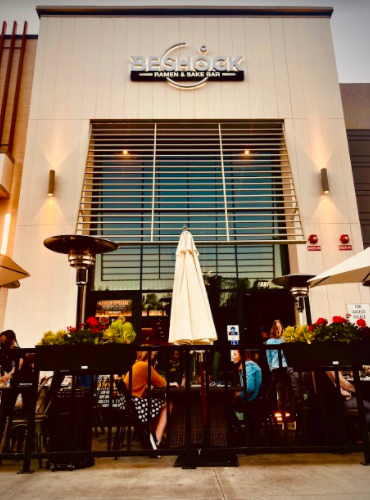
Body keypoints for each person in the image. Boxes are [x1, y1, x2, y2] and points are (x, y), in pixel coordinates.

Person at [124, 349, 174, 450]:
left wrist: (146, 384)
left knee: (158, 404)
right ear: (149, 355)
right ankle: (157, 438)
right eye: (153, 353)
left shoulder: (136, 364)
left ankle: (152, 435)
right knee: (168, 404)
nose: (154, 355)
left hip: (130, 402)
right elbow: (162, 382)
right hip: (137, 404)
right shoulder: (145, 366)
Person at [0, 330, 33, 447]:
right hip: (11, 385)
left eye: (5, 340)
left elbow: (17, 365)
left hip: (25, 384)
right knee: (4, 412)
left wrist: (10, 374)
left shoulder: (18, 352)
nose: (3, 342)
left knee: (26, 412)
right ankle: (4, 446)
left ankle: (24, 445)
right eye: (1, 341)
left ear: (13, 340)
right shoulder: (3, 353)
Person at [326, 370, 370, 441]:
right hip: (341, 400)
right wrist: (356, 388)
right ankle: (359, 433)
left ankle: (356, 430)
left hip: (334, 400)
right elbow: (341, 381)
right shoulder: (330, 366)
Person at [265, 320, 292, 413]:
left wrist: (271, 369)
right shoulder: (286, 339)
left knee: (280, 392)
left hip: (276, 368)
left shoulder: (269, 342)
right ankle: (292, 412)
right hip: (287, 367)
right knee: (290, 391)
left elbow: (269, 358)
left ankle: (283, 414)